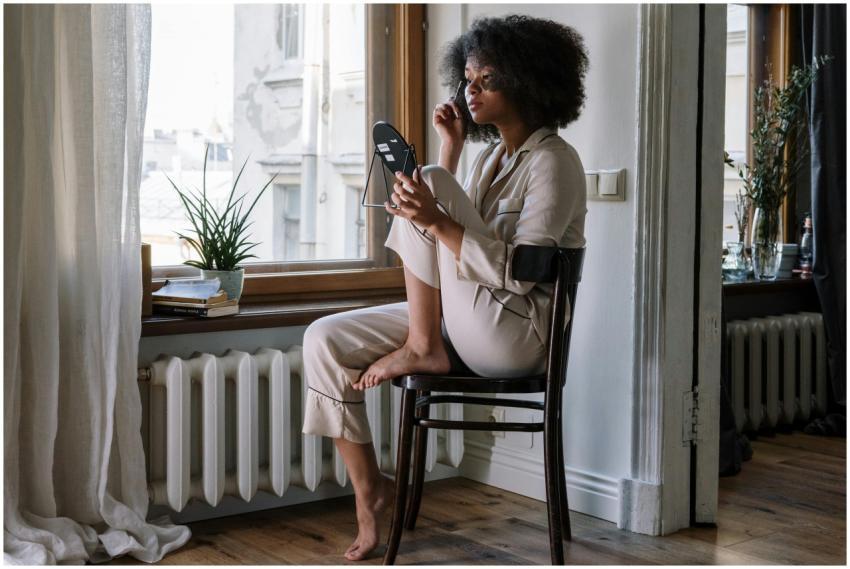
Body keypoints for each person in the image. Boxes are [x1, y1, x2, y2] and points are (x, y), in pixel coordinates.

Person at [301, 14, 589, 561]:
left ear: (527, 81)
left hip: (512, 333)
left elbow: (522, 273)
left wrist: (434, 209)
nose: (470, 89)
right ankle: (371, 493)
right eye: (468, 78)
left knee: (426, 180)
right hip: (464, 318)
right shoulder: (490, 158)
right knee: (323, 339)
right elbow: (451, 233)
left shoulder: (554, 162)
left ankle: (422, 346)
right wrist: (451, 147)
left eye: (487, 79)